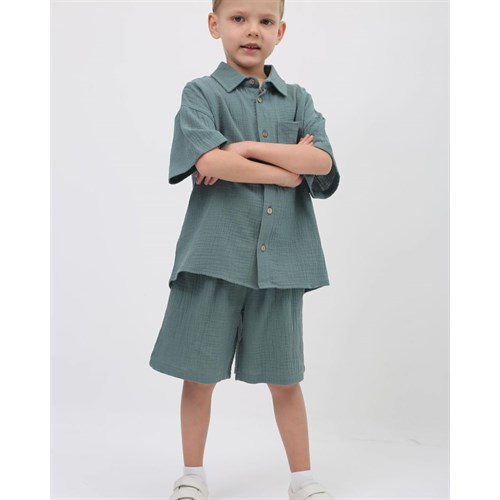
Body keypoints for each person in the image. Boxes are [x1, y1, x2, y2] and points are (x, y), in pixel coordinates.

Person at [149, 0, 340, 499]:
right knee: (199, 375)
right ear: (215, 25)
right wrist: (285, 168)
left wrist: (241, 149)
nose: (252, 30)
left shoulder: (298, 100)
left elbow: (321, 163)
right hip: (214, 258)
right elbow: (209, 162)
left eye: (265, 21)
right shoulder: (201, 93)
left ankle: (303, 479)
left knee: (286, 378)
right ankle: (193, 474)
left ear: (281, 30)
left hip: (284, 263)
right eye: (238, 18)